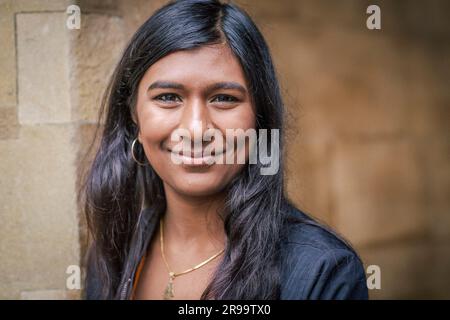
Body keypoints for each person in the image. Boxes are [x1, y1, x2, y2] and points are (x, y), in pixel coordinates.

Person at [82, 0, 368, 300]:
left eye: (224, 98)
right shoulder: (112, 253)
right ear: (133, 114)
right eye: (168, 97)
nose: (195, 129)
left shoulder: (322, 271)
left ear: (260, 118)